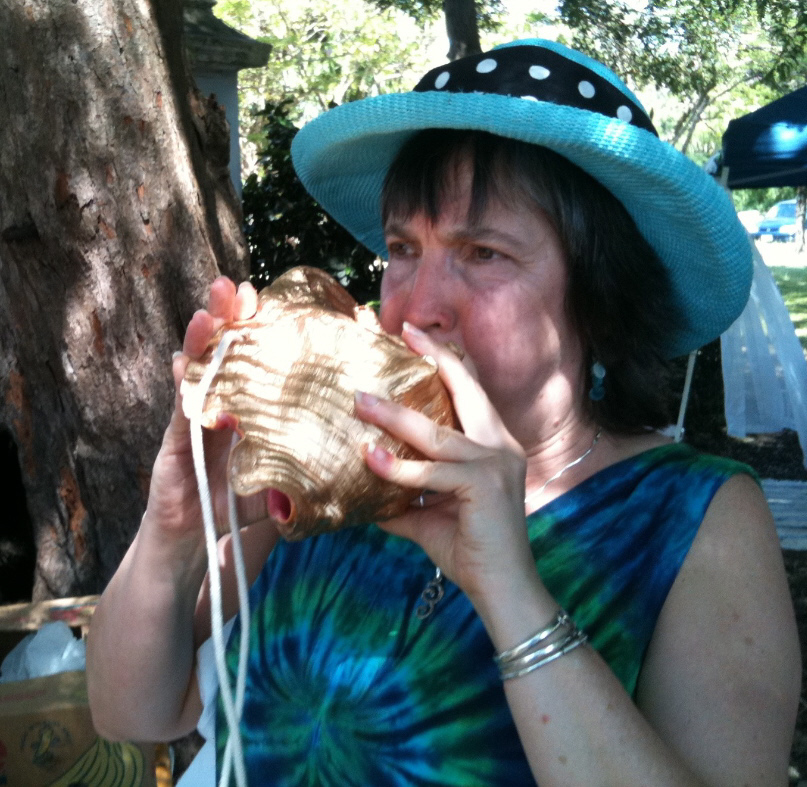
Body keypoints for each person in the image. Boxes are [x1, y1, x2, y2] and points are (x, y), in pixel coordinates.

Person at [87, 39, 800, 786]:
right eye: (403, 247)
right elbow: (132, 712)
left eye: (483, 252)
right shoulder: (328, 474)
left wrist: (510, 593)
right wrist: (172, 531)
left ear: (599, 295)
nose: (417, 306)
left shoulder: (692, 517)